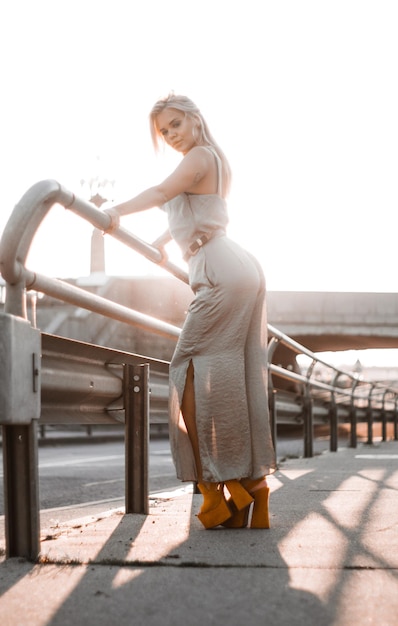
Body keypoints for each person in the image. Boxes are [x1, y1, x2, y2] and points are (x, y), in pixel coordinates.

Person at [104, 93, 276, 529]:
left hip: (220, 271)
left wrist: (113, 212)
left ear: (196, 119)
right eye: (164, 131)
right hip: (232, 264)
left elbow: (164, 191)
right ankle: (249, 489)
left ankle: (217, 486)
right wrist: (163, 242)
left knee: (186, 369)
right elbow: (194, 210)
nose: (171, 135)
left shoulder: (199, 155)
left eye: (175, 124)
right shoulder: (213, 160)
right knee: (230, 378)